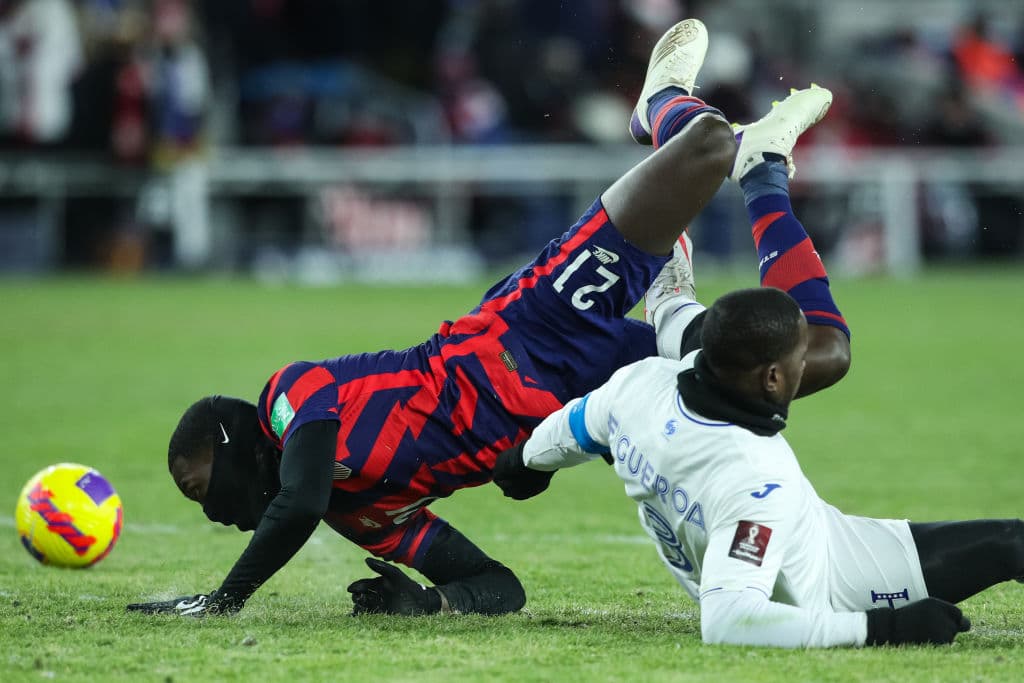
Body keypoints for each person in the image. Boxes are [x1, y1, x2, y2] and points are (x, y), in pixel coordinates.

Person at [126, 18, 846, 618]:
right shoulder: (369, 516)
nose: (210, 512)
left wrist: (224, 599)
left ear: (234, 441)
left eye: (199, 487)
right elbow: (502, 588)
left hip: (528, 327)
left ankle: (656, 101)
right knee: (817, 357)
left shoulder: (289, 396)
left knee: (708, 143)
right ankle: (764, 176)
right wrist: (431, 604)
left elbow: (300, 497)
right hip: (588, 404)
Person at [489, 283, 1024, 647]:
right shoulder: (758, 473)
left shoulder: (640, 385)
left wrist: (525, 464)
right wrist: (882, 629)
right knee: (1011, 544)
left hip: (812, 538)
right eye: (800, 357)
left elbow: (575, 425)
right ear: (772, 378)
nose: (805, 365)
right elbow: (728, 621)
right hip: (829, 584)